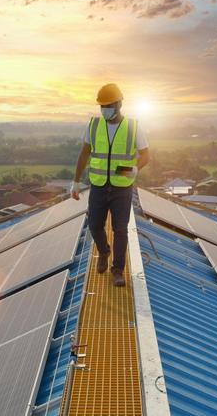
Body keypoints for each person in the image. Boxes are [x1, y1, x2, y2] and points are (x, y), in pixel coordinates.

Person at [71, 83, 150, 287]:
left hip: (122, 187)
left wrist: (135, 168)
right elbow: (84, 153)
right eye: (102, 106)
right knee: (95, 224)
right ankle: (104, 251)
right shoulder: (94, 125)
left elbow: (146, 154)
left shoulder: (133, 126)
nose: (104, 109)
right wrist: (76, 182)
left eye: (108, 105)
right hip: (98, 185)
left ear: (119, 104)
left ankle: (117, 270)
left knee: (120, 229)